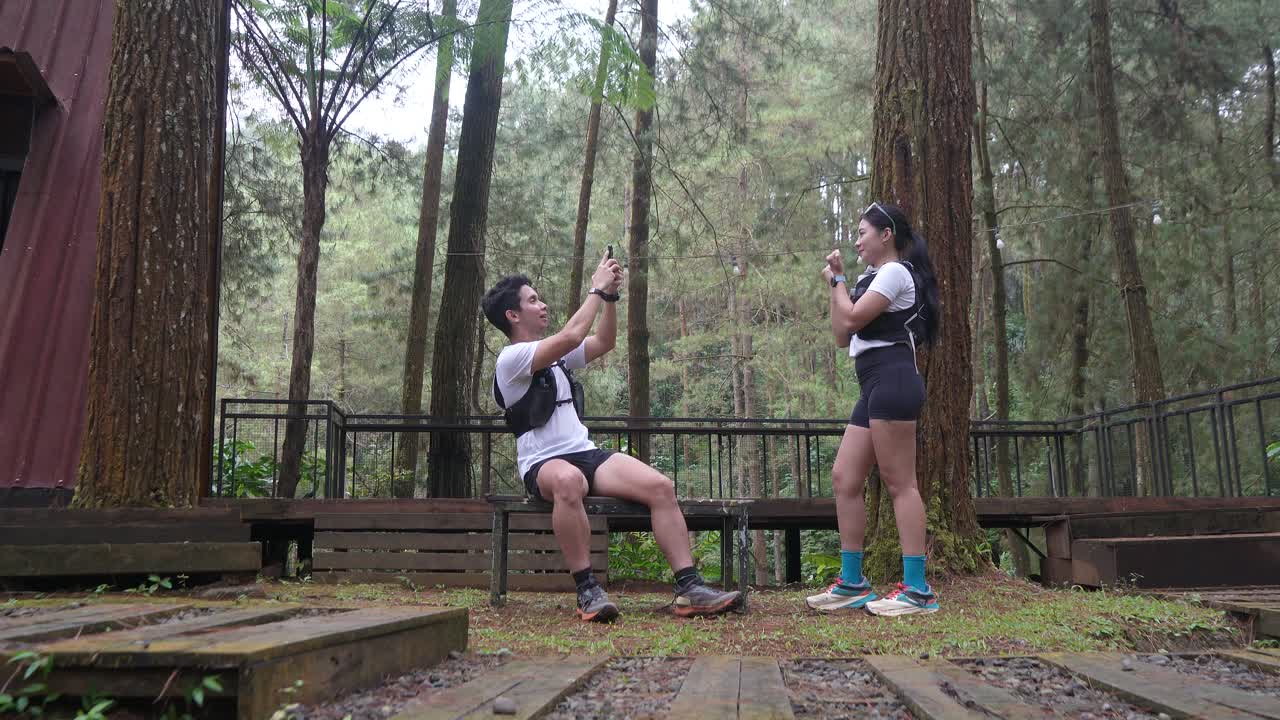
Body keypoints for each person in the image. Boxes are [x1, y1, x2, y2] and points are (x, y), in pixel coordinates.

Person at [481, 251, 744, 622]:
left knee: (660, 486)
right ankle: (587, 590)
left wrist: (610, 298)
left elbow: (603, 342)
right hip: (542, 464)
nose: (542, 305)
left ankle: (689, 588)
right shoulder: (512, 360)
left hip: (585, 454)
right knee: (569, 481)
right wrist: (595, 287)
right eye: (533, 300)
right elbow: (572, 334)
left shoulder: (555, 358)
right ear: (512, 315)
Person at [805, 202, 942, 616]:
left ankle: (917, 589)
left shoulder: (897, 272)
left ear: (886, 235)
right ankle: (852, 583)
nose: (857, 240)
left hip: (894, 377)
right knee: (845, 477)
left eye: (863, 232)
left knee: (901, 483)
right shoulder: (869, 278)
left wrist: (838, 282)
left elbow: (852, 314)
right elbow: (841, 334)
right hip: (872, 385)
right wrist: (838, 284)